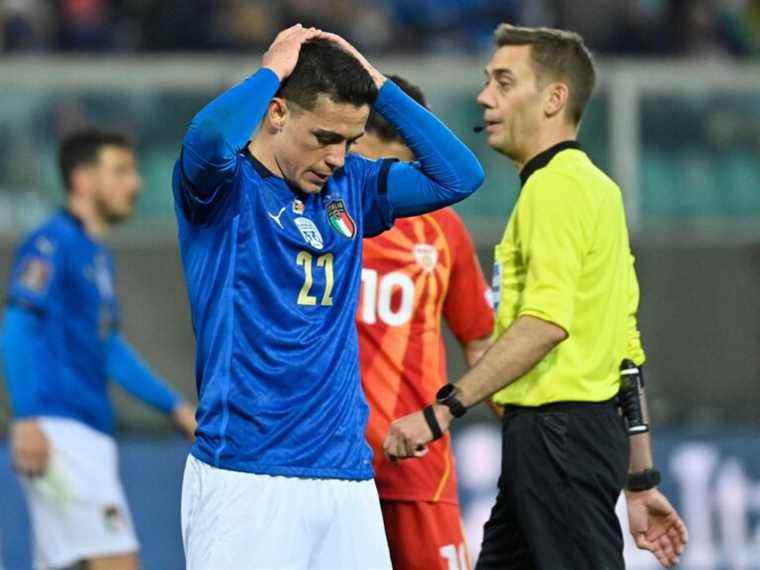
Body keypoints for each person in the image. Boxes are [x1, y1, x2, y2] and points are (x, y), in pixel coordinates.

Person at [173, 25, 484, 570]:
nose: (339, 156)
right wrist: (273, 68)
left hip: (345, 477)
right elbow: (205, 136)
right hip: (246, 473)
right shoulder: (223, 189)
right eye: (324, 138)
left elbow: (460, 176)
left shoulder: (352, 189)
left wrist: (379, 84)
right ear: (276, 114)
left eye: (350, 139)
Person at [384, 24, 689, 569]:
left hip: (558, 437)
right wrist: (640, 479)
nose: (484, 97)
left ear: (554, 98)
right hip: (569, 438)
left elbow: (545, 323)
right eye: (486, 81)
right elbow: (626, 346)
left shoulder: (553, 189)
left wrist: (442, 411)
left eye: (504, 81)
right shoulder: (596, 187)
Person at [2, 129, 196, 570]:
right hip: (60, 431)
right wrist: (27, 417)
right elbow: (17, 324)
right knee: (116, 561)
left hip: (84, 430)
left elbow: (108, 348)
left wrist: (174, 406)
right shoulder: (52, 243)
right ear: (83, 180)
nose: (136, 183)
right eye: (121, 171)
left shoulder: (95, 256)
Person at [353, 75, 494, 570]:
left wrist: (525, 438)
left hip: (413, 464)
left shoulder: (443, 229)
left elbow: (479, 340)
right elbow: (480, 346)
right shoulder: (323, 210)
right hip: (332, 465)